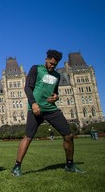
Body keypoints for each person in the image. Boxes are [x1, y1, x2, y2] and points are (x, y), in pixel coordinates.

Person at [11, 49, 84, 177]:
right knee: (28, 137)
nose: (52, 66)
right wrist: (33, 104)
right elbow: (27, 87)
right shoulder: (36, 69)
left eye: (55, 65)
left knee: (68, 135)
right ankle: (16, 167)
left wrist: (56, 97)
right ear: (46, 59)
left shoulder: (57, 76)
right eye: (50, 63)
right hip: (36, 109)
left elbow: (55, 92)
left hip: (51, 109)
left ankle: (69, 165)